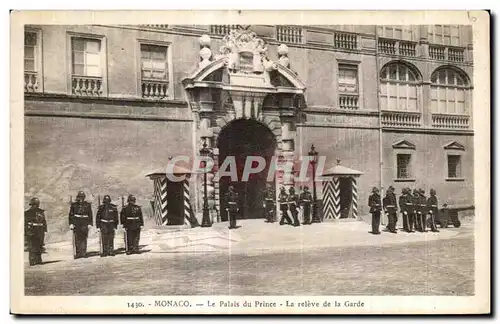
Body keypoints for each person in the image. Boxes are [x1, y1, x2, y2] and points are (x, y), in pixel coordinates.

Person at [69, 191, 93, 259]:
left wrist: (90, 223)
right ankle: (78, 253)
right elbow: (71, 215)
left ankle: (84, 253)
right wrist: (71, 223)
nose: (81, 198)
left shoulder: (87, 205)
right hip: (77, 222)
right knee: (77, 238)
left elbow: (90, 215)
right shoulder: (74, 205)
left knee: (84, 238)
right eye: (80, 197)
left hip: (85, 222)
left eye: (82, 197)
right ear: (78, 197)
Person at [25, 197, 47, 266]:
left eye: (37, 204)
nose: (36, 206)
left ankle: (38, 260)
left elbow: (44, 221)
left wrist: (45, 229)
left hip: (40, 230)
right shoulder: (27, 213)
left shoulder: (41, 211)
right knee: (32, 246)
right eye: (34, 204)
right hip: (32, 230)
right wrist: (27, 232)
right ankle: (32, 261)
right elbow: (25, 223)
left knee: (39, 245)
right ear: (31, 204)